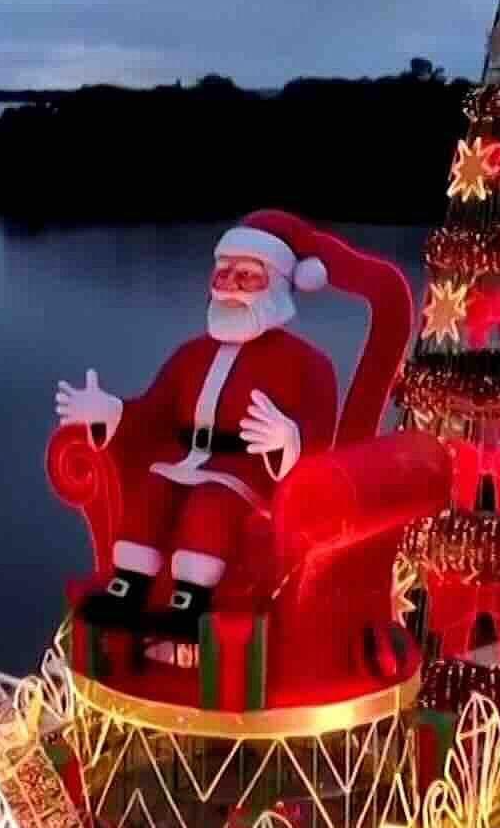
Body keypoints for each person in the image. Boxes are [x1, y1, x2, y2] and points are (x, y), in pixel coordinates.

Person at [55, 211, 341, 634]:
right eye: (223, 274)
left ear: (277, 284)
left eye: (246, 276)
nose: (229, 287)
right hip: (183, 459)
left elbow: (320, 433)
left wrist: (287, 439)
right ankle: (127, 589)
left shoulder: (307, 363)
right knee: (152, 493)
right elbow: (154, 411)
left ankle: (189, 603)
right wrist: (111, 411)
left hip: (246, 470)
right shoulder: (191, 355)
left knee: (210, 505)